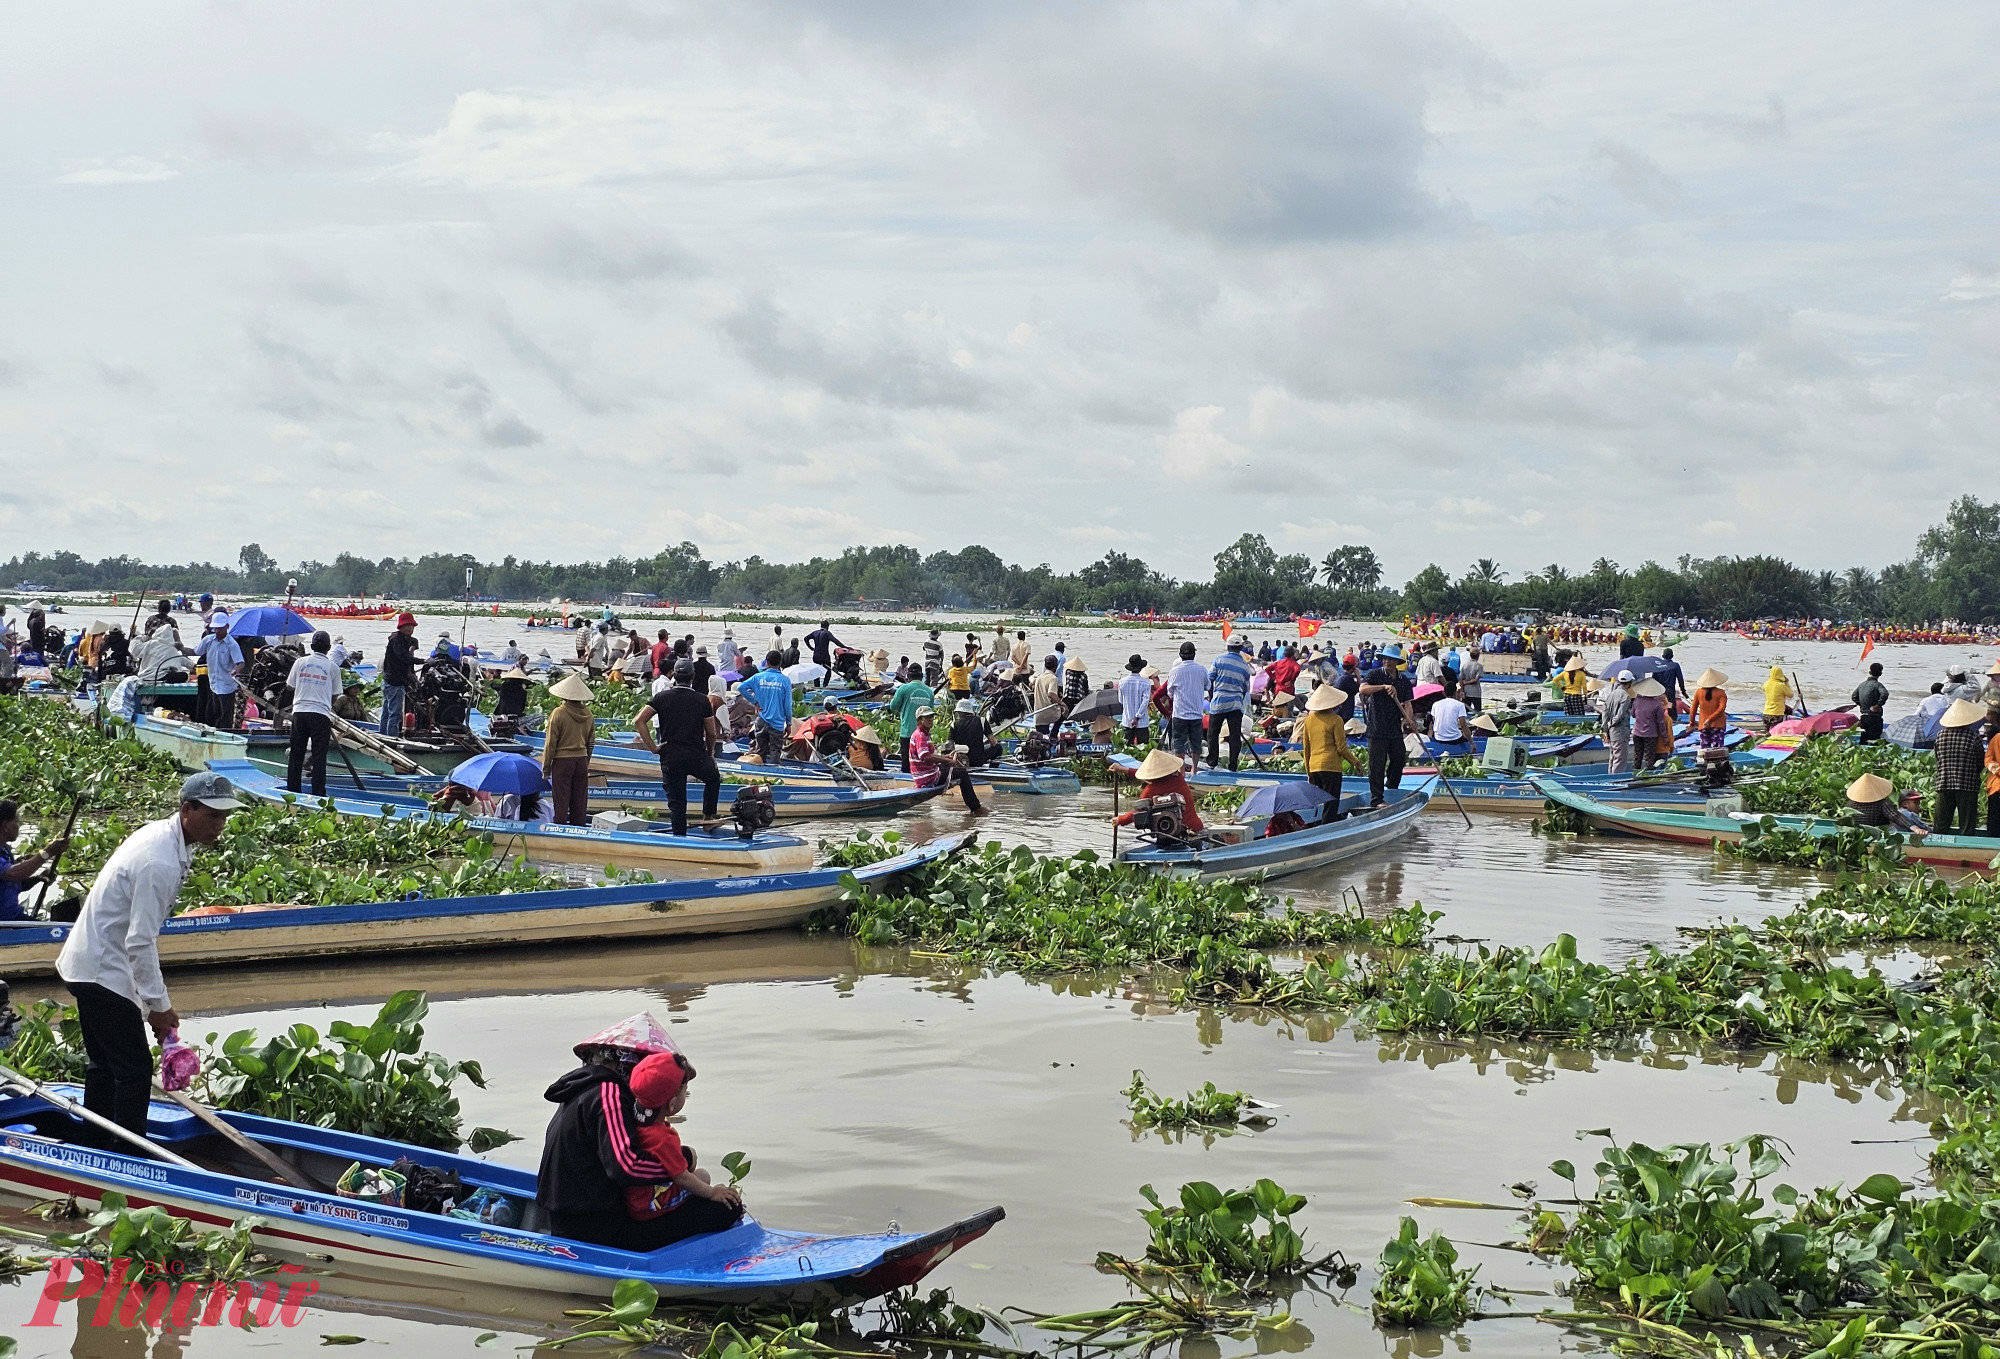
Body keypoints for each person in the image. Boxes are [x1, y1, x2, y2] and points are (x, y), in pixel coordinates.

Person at [57, 771, 241, 1137]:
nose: (220, 824)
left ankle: (95, 1141)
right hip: (101, 970)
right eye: (212, 815)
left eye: (224, 816)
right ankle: (129, 1154)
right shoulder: (159, 862)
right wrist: (159, 1007)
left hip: (87, 963)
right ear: (187, 810)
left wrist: (154, 1004)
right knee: (134, 1070)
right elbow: (139, 942)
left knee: (104, 1064)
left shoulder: (163, 837)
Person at [537, 1016, 743, 1250]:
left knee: (699, 1187)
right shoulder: (608, 1093)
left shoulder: (583, 1086)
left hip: (574, 1213)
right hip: (594, 1227)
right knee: (726, 1209)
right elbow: (626, 1166)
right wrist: (682, 1162)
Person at [635, 661, 723, 835]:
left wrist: (653, 747)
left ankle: (679, 837)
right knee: (713, 779)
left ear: (674, 676)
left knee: (677, 804)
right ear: (693, 678)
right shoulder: (702, 700)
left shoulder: (662, 697)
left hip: (670, 756)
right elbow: (711, 733)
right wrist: (710, 753)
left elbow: (639, 721)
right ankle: (708, 818)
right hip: (696, 755)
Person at [1358, 645, 1418, 808]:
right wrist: (1383, 687)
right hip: (1376, 727)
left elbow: (1408, 704)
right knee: (1376, 764)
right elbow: (1363, 689)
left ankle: (1391, 789)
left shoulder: (1403, 680)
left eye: (1390, 659)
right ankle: (1376, 799)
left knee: (1399, 759)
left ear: (1397, 662)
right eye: (1385, 659)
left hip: (1394, 728)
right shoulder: (1375, 675)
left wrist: (1408, 720)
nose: (1387, 662)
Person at [283, 632, 340, 797]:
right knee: (319, 756)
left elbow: (289, 686)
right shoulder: (333, 667)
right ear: (329, 648)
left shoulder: (300, 662)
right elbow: (335, 695)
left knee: (296, 754)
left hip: (300, 712)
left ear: (312, 647)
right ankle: (318, 794)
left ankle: (293, 792)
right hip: (321, 714)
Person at [541, 674, 597, 826]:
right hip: (581, 760)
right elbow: (591, 742)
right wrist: (586, 760)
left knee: (561, 800)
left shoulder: (558, 713)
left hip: (562, 761)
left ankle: (560, 830)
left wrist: (546, 768)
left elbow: (550, 744)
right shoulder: (588, 714)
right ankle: (578, 831)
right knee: (579, 801)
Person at [1113, 748, 1203, 840]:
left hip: (1177, 835)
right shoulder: (1178, 778)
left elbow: (1138, 812)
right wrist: (1122, 769)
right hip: (1196, 828)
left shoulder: (1150, 791)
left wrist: (1120, 820)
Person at [0, 800, 67, 922]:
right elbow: (12, 874)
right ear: (5, 827)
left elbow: (15, 884)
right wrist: (47, 853)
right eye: (15, 821)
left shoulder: (5, 850)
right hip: (4, 924)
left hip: (14, 919)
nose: (18, 825)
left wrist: (38, 879)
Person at [908, 708, 985, 813]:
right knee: (962, 773)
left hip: (926, 773)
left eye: (931, 717)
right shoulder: (920, 735)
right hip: (927, 777)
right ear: (920, 720)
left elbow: (930, 756)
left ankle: (974, 806)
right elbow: (925, 757)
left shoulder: (923, 735)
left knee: (955, 769)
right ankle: (976, 808)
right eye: (927, 718)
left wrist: (947, 757)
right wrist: (948, 761)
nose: (930, 720)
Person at [1297, 685, 1351, 821]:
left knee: (1324, 803)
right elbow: (1341, 748)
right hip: (1330, 767)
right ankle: (1327, 831)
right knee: (1331, 805)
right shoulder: (1336, 720)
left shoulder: (1309, 720)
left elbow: (1306, 749)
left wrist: (1309, 773)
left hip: (1315, 767)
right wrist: (1356, 763)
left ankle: (1321, 825)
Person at [1932, 699, 1985, 835]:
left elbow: (1938, 758)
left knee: (1941, 825)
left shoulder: (1940, 736)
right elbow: (1980, 762)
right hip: (1967, 785)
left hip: (1944, 783)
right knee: (1967, 825)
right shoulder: (1973, 737)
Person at [1203, 639, 1254, 772]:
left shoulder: (1219, 660)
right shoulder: (1244, 666)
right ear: (1240, 648)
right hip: (1236, 704)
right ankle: (1233, 765)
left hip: (1219, 702)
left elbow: (1209, 681)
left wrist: (1212, 696)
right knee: (1235, 735)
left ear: (1228, 647)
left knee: (1213, 733)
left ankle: (1212, 761)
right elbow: (1245, 689)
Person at [737, 652, 795, 764]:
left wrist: (755, 702)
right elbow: (787, 705)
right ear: (780, 663)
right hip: (777, 722)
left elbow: (741, 687)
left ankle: (761, 773)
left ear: (767, 663)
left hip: (761, 719)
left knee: (760, 750)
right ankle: (775, 774)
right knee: (775, 751)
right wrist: (788, 723)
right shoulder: (785, 680)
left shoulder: (758, 677)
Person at [197, 614, 244, 729]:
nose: (217, 631)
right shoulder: (208, 640)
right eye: (215, 628)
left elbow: (241, 663)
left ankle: (224, 735)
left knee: (225, 716)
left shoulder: (232, 644)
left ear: (227, 627)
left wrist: (235, 670)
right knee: (212, 713)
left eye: (220, 628)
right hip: (213, 684)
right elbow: (196, 651)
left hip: (227, 686)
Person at [1845, 772, 1928, 834]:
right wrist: (1915, 828)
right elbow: (1896, 816)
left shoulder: (1850, 804)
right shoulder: (1882, 803)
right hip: (1879, 834)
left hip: (1857, 835)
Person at [1165, 642, 1208, 760]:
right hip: (1196, 713)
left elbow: (1170, 693)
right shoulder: (1202, 670)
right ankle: (1194, 768)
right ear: (1194, 654)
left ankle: (1181, 770)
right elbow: (1207, 686)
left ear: (1180, 655)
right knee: (1196, 743)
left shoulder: (1174, 671)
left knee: (1178, 743)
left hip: (1180, 714)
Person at [381, 611, 419, 736]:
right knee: (395, 714)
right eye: (407, 625)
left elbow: (411, 648)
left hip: (390, 681)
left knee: (387, 712)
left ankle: (383, 736)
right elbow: (404, 658)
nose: (409, 628)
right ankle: (391, 740)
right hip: (394, 683)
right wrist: (424, 661)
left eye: (411, 626)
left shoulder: (406, 640)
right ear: (401, 626)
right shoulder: (396, 640)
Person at [1599, 671, 1635, 774]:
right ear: (1629, 682)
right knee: (1619, 760)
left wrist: (1605, 728)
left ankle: (1610, 779)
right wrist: (1611, 725)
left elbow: (1605, 712)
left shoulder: (1611, 694)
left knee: (1613, 758)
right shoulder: (1626, 696)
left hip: (1611, 732)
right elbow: (1620, 715)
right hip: (1621, 732)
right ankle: (1616, 782)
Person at [1631, 677, 1671, 769]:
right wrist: (1665, 737)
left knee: (1637, 757)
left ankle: (1635, 775)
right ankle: (1648, 775)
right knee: (1649, 758)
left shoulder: (1637, 701)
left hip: (1637, 733)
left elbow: (1633, 715)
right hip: (1650, 735)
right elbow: (1660, 722)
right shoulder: (1657, 704)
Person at [1689, 668, 1730, 753]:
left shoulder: (1698, 692)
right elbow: (1721, 709)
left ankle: (1705, 763)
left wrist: (1692, 722)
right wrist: (1710, 719)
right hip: (1718, 724)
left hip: (1703, 725)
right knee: (1717, 748)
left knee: (1704, 748)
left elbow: (1693, 708)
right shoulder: (1721, 693)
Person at [950, 698, 995, 768]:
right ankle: (992, 768)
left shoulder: (954, 724)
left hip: (961, 761)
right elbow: (993, 743)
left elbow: (949, 745)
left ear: (960, 712)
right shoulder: (982, 720)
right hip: (978, 760)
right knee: (998, 748)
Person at [1118, 655, 1153, 747]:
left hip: (1127, 720)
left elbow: (1121, 700)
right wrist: (1137, 717)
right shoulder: (1145, 683)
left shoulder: (1122, 682)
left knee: (1127, 748)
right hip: (1142, 722)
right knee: (1143, 748)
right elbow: (1145, 702)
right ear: (1141, 668)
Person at [1852, 663, 1890, 744]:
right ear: (1880, 673)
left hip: (1863, 718)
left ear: (1870, 672)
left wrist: (1861, 704)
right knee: (1874, 741)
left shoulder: (1862, 685)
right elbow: (1885, 694)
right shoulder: (1878, 685)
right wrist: (1878, 705)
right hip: (1874, 718)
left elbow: (1854, 697)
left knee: (1863, 741)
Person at [1430, 679, 1471, 751]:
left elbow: (1434, 722)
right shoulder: (1460, 705)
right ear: (1455, 692)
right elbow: (1463, 725)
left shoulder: (1435, 704)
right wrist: (1471, 743)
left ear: (1443, 693)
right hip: (1454, 738)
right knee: (1464, 737)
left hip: (1438, 737)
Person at [1031, 656, 1064, 739]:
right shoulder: (1053, 678)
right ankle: (1053, 734)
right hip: (1049, 713)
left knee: (1041, 737)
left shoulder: (1039, 678)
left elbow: (1031, 680)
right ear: (1056, 666)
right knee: (1065, 711)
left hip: (1038, 714)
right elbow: (1051, 693)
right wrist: (1062, 703)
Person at [1460, 647, 1484, 714]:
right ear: (1478, 656)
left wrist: (1462, 690)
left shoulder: (1464, 665)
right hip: (1476, 693)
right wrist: (1468, 682)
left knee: (1465, 712)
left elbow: (1460, 679)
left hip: (1466, 692)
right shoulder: (1479, 666)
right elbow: (1476, 680)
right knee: (1478, 712)